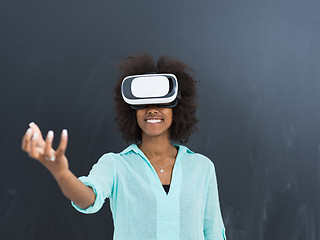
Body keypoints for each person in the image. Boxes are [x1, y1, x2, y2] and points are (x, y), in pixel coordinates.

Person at [21, 53, 226, 240]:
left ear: (177, 109)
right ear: (131, 111)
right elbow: (88, 199)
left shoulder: (202, 168)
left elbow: (214, 233)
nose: (152, 110)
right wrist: (61, 173)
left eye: (161, 103)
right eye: (143, 104)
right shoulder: (115, 165)